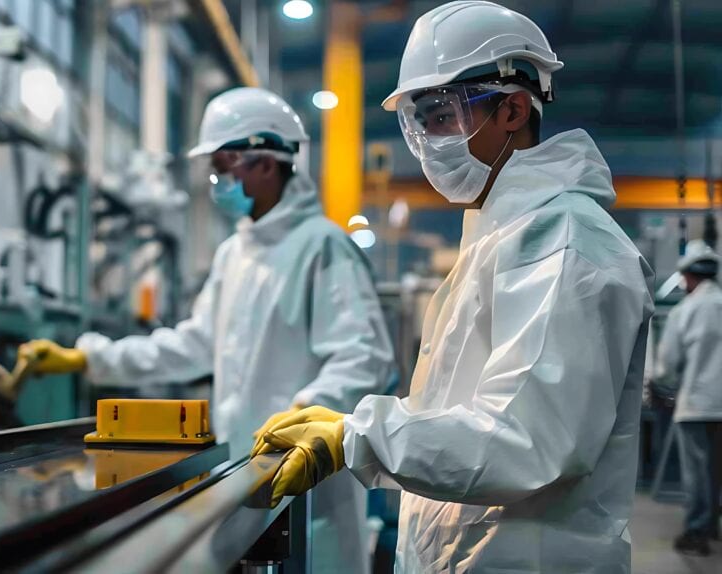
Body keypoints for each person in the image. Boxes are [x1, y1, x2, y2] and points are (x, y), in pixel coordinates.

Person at [252, 2, 655, 572]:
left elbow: (528, 439)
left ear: (514, 108)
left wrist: (359, 436)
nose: (427, 142)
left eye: (441, 116)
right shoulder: (499, 238)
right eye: (417, 124)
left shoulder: (566, 243)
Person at [15, 87, 395, 574]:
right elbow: (195, 344)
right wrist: (90, 358)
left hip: (306, 478)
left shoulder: (321, 246)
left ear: (265, 161)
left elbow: (364, 355)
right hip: (240, 472)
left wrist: (305, 412)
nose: (217, 180)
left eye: (224, 164)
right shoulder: (234, 254)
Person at [655, 240, 722, 555]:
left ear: (689, 276)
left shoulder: (685, 311)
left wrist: (663, 385)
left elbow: (666, 365)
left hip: (695, 406)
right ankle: (714, 526)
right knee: (718, 470)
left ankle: (697, 532)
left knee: (697, 471)